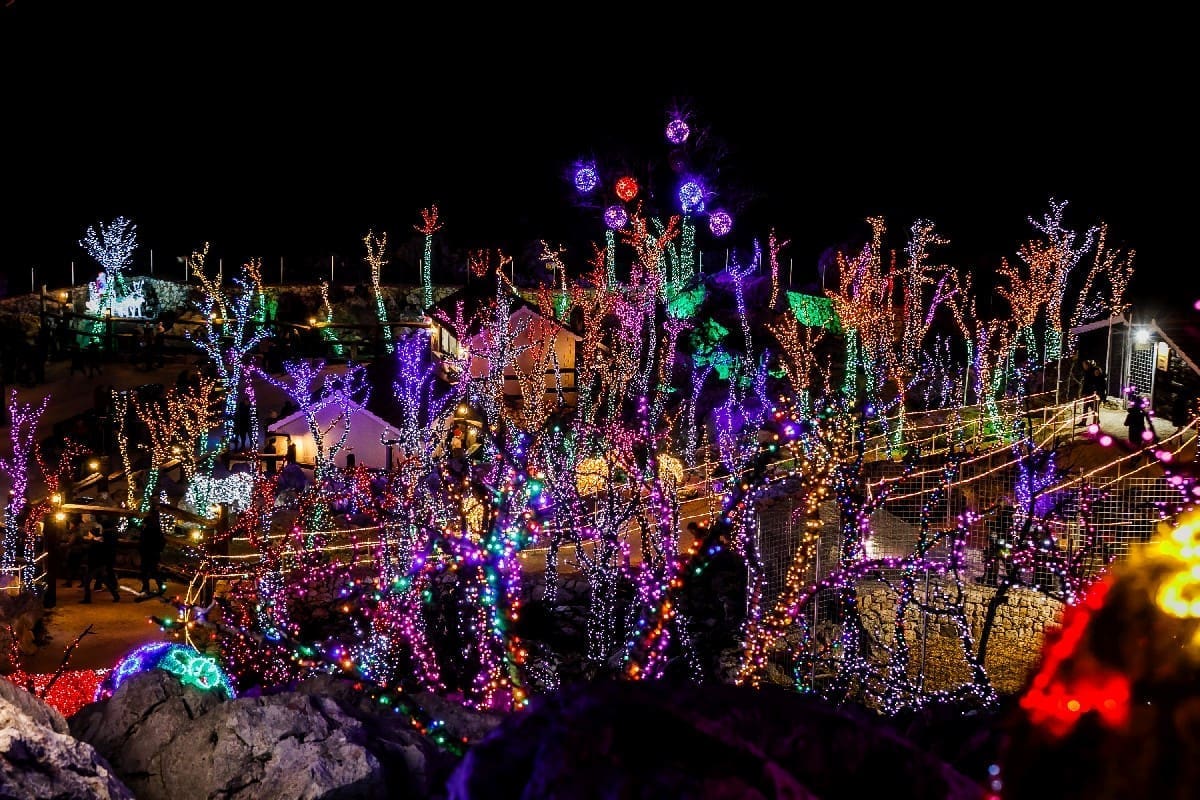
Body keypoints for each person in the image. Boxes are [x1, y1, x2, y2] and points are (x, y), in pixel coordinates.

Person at [82, 514, 121, 603]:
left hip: (94, 564)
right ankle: (115, 595)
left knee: (87, 581)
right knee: (105, 580)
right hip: (101, 563)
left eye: (89, 534)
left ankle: (87, 598)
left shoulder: (96, 542)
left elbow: (91, 554)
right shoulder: (104, 540)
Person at [138, 508, 168, 597]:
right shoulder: (156, 530)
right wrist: (159, 550)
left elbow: (142, 542)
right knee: (153, 571)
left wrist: (142, 550)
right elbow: (162, 541)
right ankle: (159, 586)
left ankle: (146, 588)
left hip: (148, 554)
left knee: (146, 572)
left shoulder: (146, 531)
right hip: (153, 554)